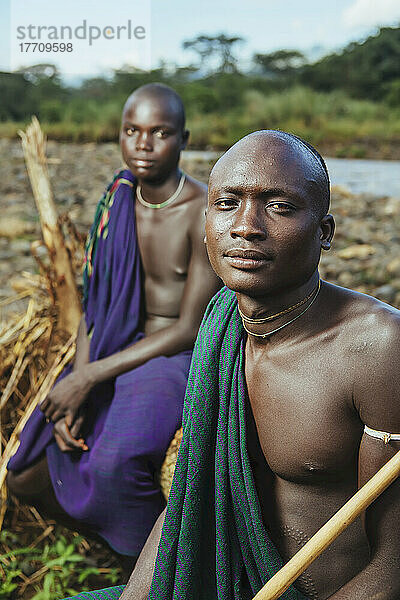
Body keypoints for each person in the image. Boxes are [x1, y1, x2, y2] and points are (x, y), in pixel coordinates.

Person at [69, 129, 399, 600]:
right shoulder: (222, 323)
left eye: (279, 206)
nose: (246, 226)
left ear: (325, 232)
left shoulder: (379, 348)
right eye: (227, 204)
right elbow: (188, 502)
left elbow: (394, 566)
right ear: (206, 220)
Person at [6, 83, 221, 573]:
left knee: (114, 464)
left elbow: (190, 327)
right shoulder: (116, 199)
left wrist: (90, 377)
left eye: (160, 132)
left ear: (183, 138)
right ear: (120, 136)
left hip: (174, 358)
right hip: (111, 347)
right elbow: (95, 305)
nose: (143, 145)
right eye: (132, 131)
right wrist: (79, 380)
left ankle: (159, 570)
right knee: (24, 471)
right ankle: (123, 545)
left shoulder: (203, 212)